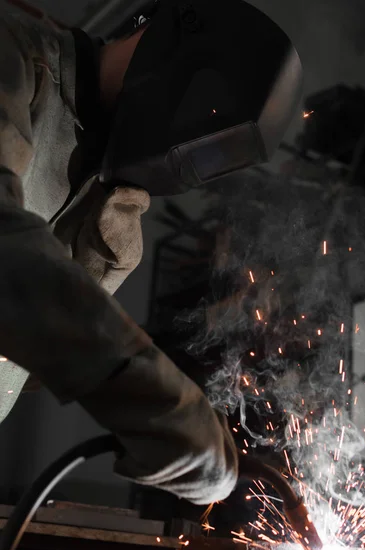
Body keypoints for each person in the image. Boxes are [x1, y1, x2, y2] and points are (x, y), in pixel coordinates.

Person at [0, 6, 238, 505]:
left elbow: (24, 363)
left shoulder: (102, 183)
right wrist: (156, 402)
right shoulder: (14, 52)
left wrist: (93, 266)